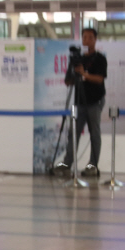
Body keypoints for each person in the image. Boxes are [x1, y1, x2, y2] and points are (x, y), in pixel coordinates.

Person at [54, 28, 107, 178]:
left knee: (94, 134)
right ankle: (66, 164)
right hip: (79, 103)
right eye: (84, 37)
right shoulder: (76, 59)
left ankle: (92, 166)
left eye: (90, 37)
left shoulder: (100, 59)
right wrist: (74, 73)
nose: (87, 40)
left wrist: (84, 74)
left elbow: (99, 79)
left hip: (95, 101)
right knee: (73, 133)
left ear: (95, 40)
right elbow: (67, 82)